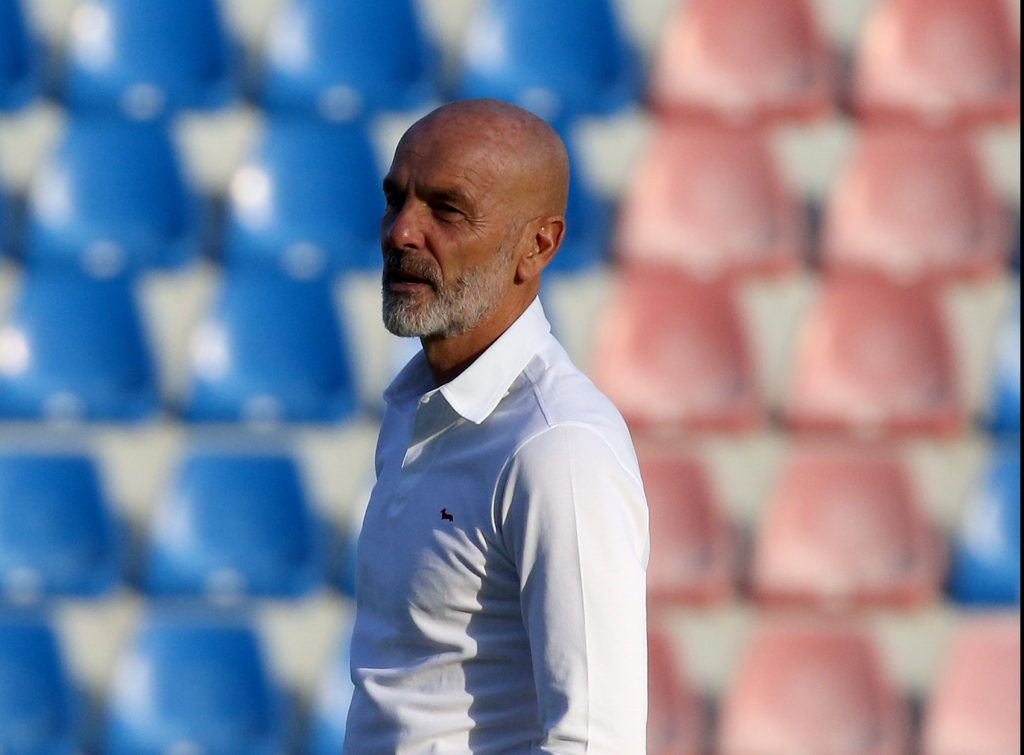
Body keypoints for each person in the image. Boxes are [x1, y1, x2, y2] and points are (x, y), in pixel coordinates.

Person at [344, 99, 649, 754]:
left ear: (538, 246)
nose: (402, 232)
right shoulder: (417, 407)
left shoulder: (559, 447)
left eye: (447, 209)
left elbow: (595, 741)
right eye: (396, 200)